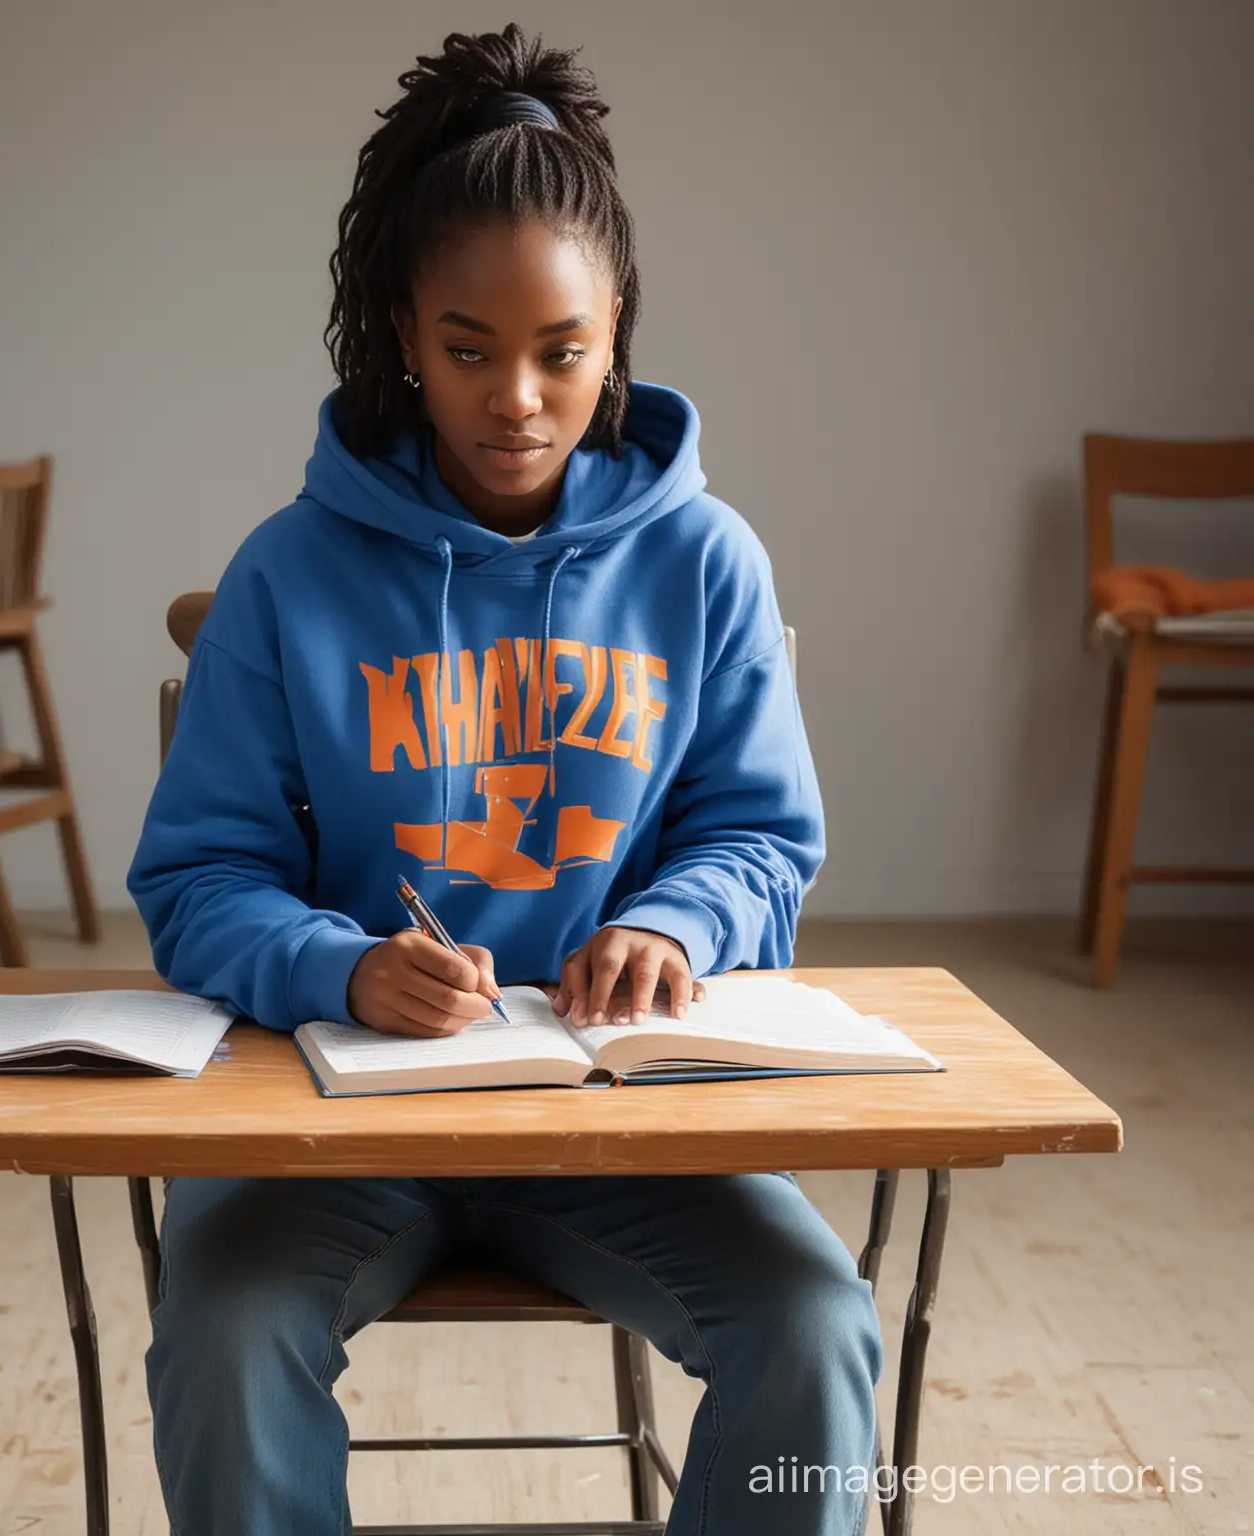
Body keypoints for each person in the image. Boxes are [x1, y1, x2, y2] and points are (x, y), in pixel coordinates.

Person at [128, 23, 881, 1535]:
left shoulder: (706, 559)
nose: (518, 398)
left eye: (562, 353)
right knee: (221, 1335)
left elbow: (758, 838)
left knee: (817, 1324)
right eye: (470, 349)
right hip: (329, 1127)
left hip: (620, 1125)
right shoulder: (285, 577)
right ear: (401, 333)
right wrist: (341, 968)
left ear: (618, 337)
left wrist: (674, 925)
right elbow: (196, 880)